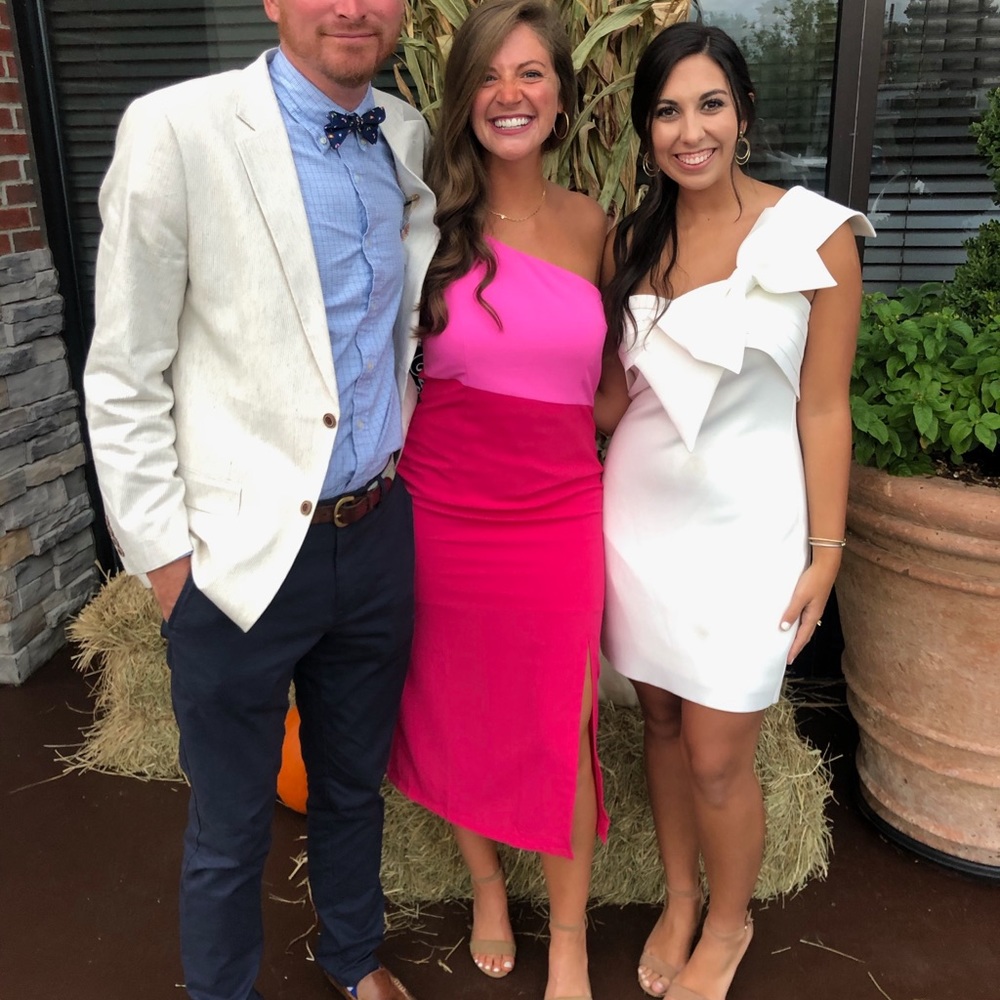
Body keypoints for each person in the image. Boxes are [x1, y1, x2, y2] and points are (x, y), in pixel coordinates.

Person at [83, 0, 436, 997]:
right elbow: (123, 372)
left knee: (350, 789)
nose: (352, 8)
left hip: (372, 537)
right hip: (233, 558)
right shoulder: (177, 128)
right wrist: (164, 562)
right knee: (231, 820)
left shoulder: (402, 135)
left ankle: (353, 956)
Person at [598, 23, 874, 1000]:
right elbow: (608, 400)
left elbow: (824, 404)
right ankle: (678, 895)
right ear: (646, 129)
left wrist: (826, 549)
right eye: (667, 110)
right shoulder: (634, 241)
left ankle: (728, 916)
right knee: (662, 724)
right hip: (635, 525)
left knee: (719, 750)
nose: (689, 130)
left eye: (708, 103)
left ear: (744, 115)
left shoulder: (814, 233)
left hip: (752, 532)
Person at [385, 2, 608, 998]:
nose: (508, 95)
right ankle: (484, 885)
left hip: (558, 514)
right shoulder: (424, 225)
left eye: (530, 75)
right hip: (440, 513)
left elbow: (608, 383)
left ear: (561, 96)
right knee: (456, 707)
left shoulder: (596, 226)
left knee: (561, 722)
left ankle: (567, 936)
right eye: (488, 76)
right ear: (462, 96)